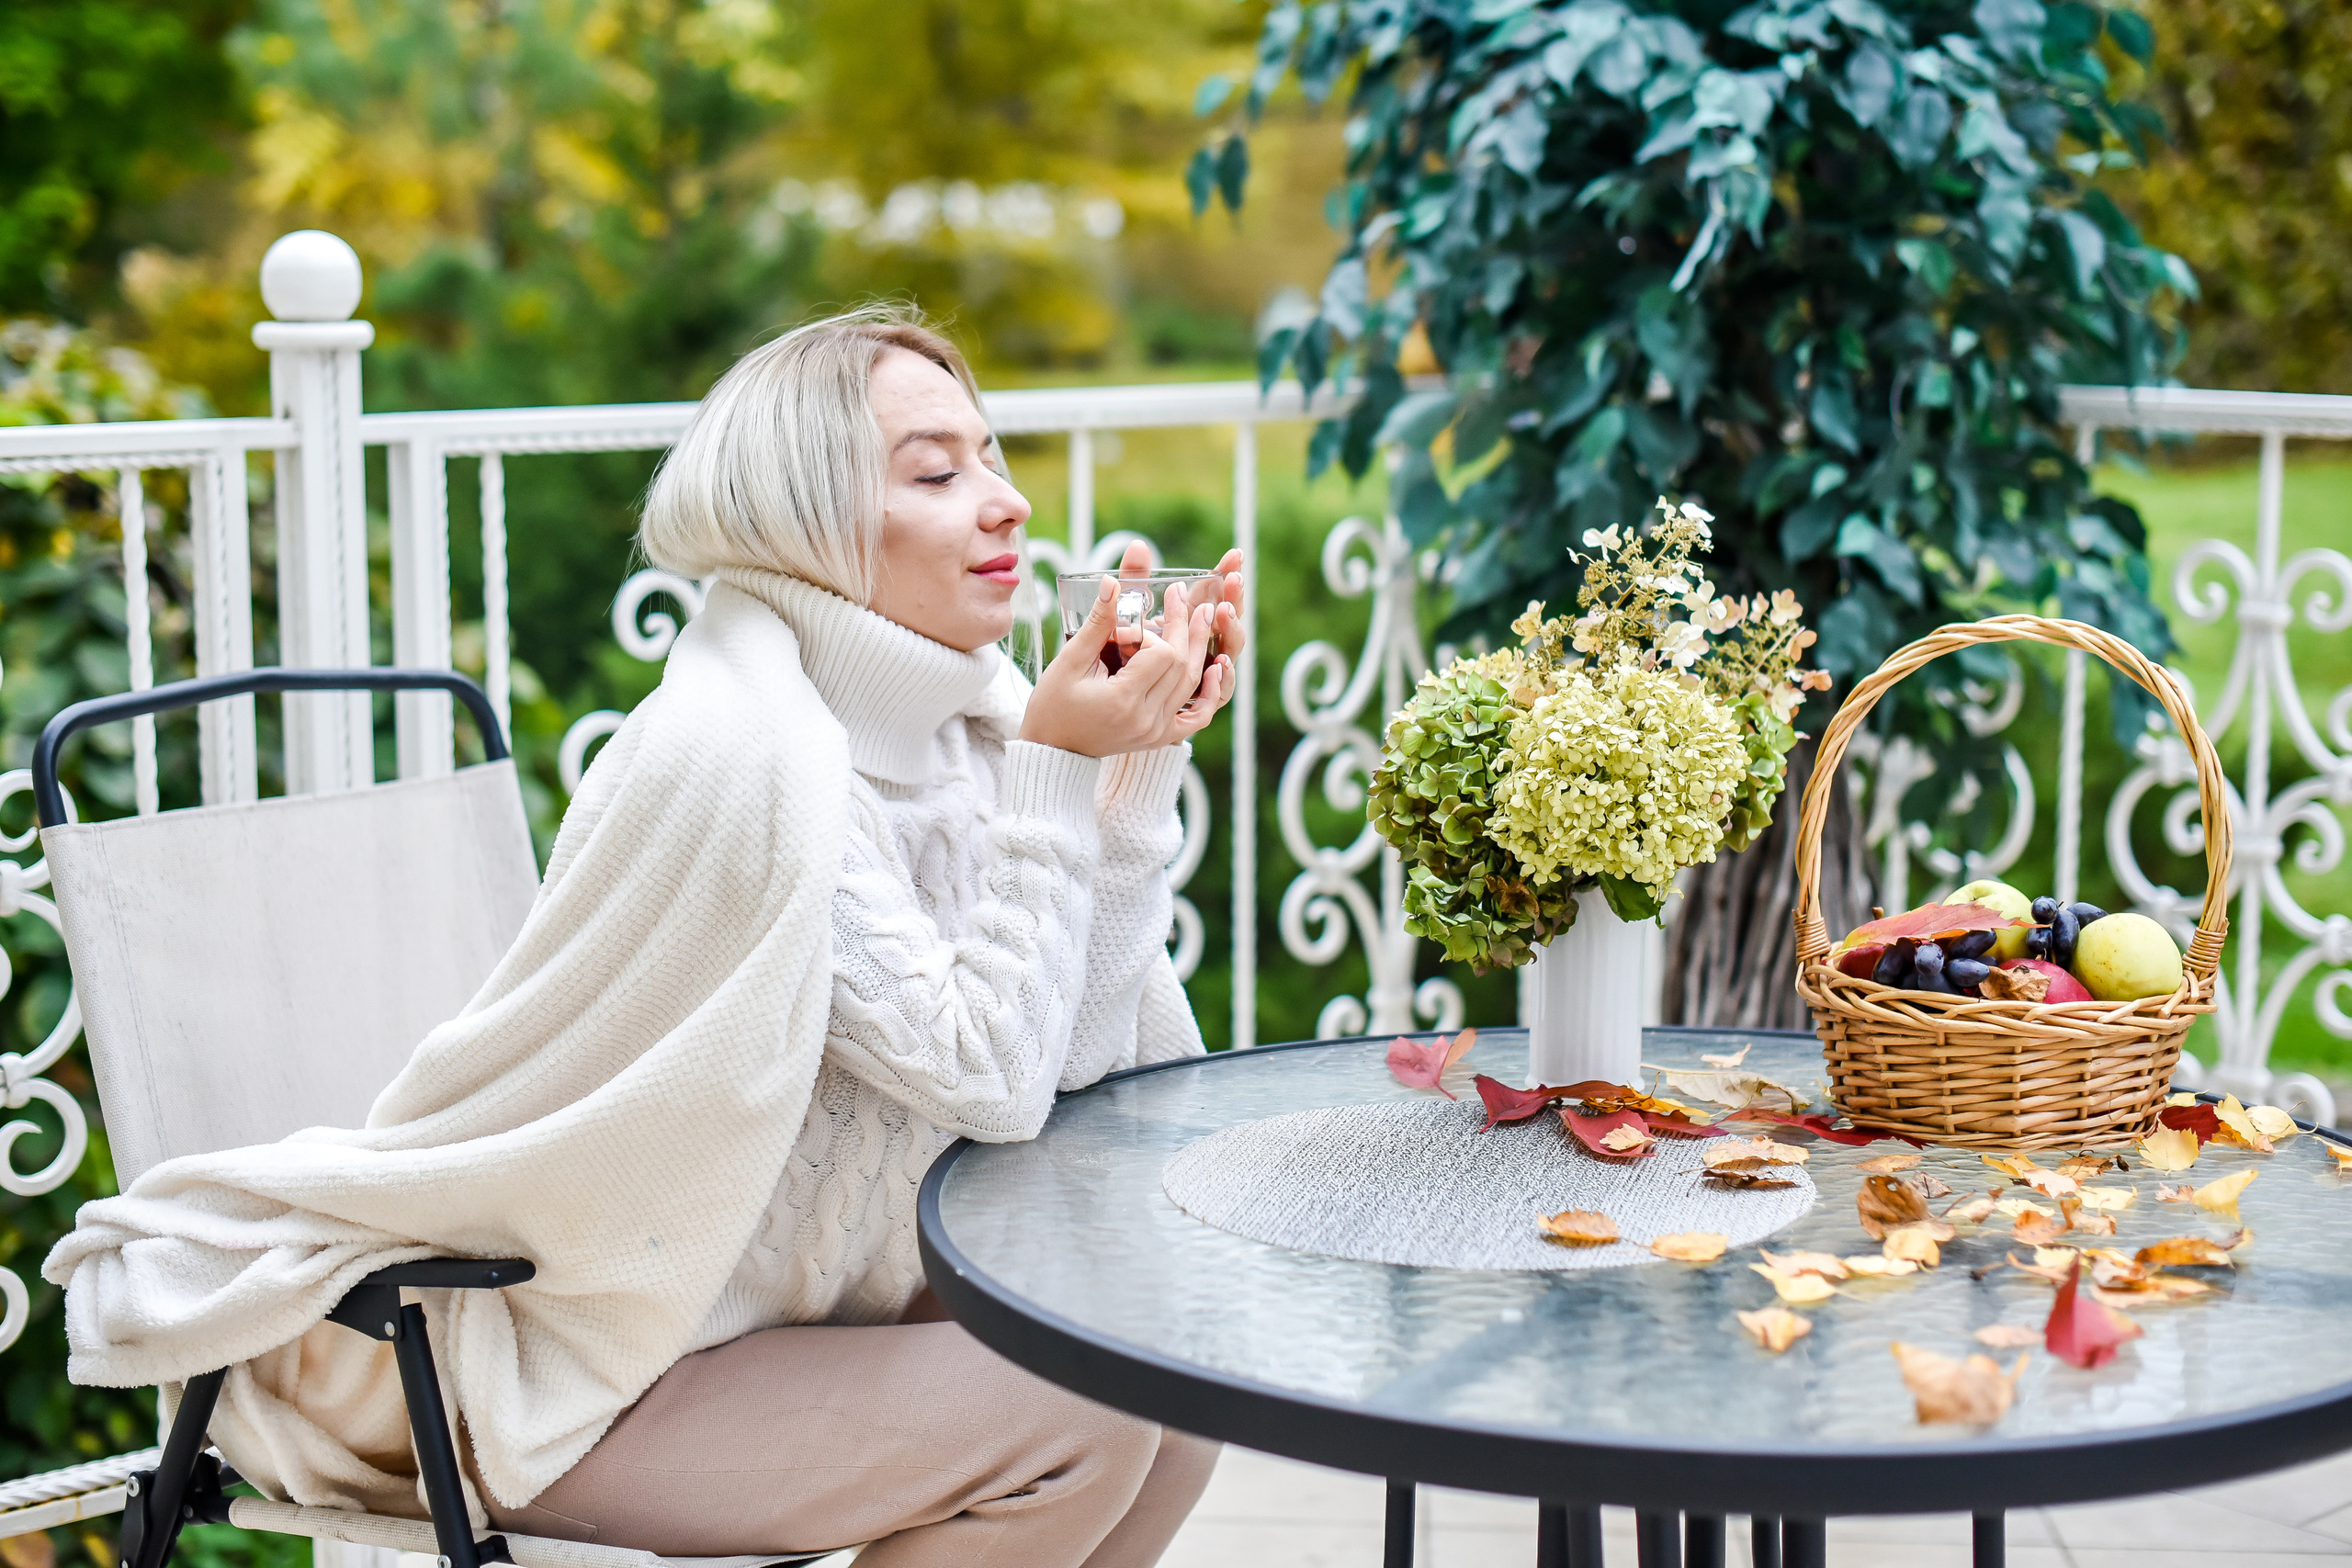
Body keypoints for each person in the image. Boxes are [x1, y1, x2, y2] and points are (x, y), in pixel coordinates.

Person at [45, 309, 1237, 1568]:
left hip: (799, 1331)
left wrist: (1130, 777)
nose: (1001, 503)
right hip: (590, 1372)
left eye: (991, 458)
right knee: (1085, 1410)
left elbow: (1079, 1065)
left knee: (1175, 1369)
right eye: (937, 473)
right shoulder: (743, 760)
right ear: (805, 524)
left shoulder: (979, 726)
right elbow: (989, 1081)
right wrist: (1059, 772)